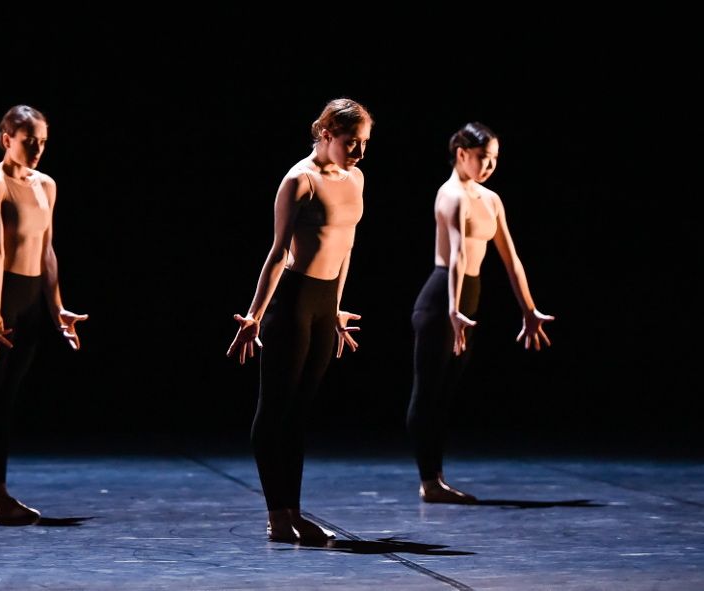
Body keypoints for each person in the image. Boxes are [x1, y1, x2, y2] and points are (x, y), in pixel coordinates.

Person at [227, 98, 373, 543]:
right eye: (352, 142)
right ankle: (278, 516)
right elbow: (277, 255)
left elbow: (346, 246)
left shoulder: (356, 177)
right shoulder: (299, 180)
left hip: (323, 303)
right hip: (290, 302)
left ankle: (293, 512)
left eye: (365, 143)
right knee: (275, 411)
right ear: (326, 134)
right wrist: (254, 313)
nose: (360, 152)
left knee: (298, 415)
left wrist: (335, 308)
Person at [407, 121, 554, 504]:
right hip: (441, 299)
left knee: (445, 394)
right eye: (482, 158)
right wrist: (453, 310)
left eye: (494, 159)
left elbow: (511, 259)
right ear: (462, 154)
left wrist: (529, 309)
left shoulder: (491, 199)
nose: (489, 166)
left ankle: (436, 480)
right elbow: (456, 256)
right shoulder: (450, 195)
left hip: (467, 300)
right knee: (428, 392)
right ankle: (429, 481)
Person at [0, 104, 88, 522]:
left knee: (7, 401)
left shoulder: (46, 185)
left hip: (32, 299)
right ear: (7, 139)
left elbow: (47, 248)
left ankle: (1, 491)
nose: (37, 149)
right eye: (28, 141)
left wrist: (57, 308)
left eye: (42, 142)